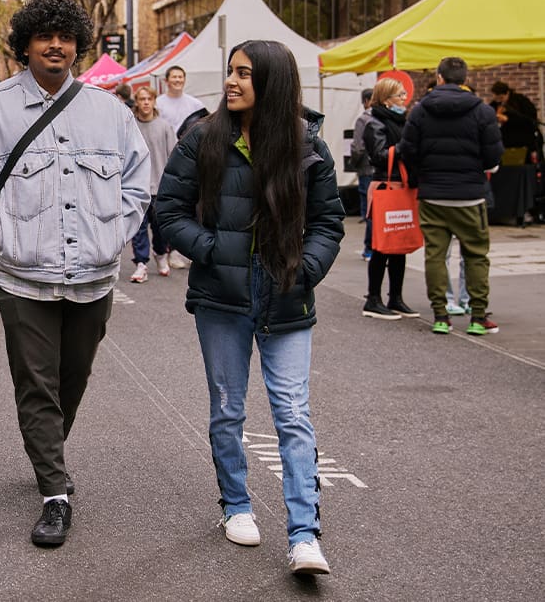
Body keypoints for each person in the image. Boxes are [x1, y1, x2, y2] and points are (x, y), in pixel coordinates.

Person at [0, 0, 149, 548]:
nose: (55, 45)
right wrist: (2, 239)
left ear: (78, 45)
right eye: (44, 36)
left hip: (91, 274)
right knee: (36, 381)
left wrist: (114, 235)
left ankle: (46, 453)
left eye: (65, 37)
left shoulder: (110, 113)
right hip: (20, 277)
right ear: (24, 46)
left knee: (72, 379)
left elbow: (137, 181)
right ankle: (55, 492)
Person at [155, 40, 344, 576]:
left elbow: (329, 223)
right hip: (222, 297)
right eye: (231, 71)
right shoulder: (202, 139)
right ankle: (236, 505)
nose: (232, 81)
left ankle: (304, 535)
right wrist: (213, 249)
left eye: (245, 73)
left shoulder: (308, 146)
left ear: (274, 82)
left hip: (287, 296)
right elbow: (167, 210)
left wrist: (304, 270)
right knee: (228, 407)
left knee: (292, 414)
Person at [399, 57, 503, 335]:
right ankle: (478, 317)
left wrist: (422, 174)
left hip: (432, 195)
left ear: (439, 77)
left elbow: (406, 150)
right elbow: (493, 155)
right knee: (476, 256)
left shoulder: (420, 111)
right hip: (470, 195)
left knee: (435, 255)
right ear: (465, 80)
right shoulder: (483, 112)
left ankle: (440, 316)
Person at [360, 78, 418, 320]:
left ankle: (396, 297)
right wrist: (405, 146)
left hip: (400, 188)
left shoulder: (402, 121)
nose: (404, 99)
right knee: (381, 246)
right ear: (386, 99)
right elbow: (380, 156)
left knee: (399, 247)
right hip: (386, 188)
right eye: (399, 95)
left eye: (404, 95)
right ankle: (373, 299)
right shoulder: (374, 123)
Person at [130, 85, 176, 281]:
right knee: (138, 227)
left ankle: (161, 254)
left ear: (154, 101)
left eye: (149, 98)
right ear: (137, 102)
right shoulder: (131, 125)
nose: (146, 102)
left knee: (160, 228)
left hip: (160, 186)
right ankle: (141, 263)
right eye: (142, 99)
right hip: (136, 187)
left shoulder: (164, 126)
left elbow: (174, 156)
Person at [350, 88, 375, 259]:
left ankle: (370, 249)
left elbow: (358, 147)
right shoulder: (385, 117)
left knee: (369, 211)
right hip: (382, 171)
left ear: (366, 101)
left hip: (366, 169)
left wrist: (354, 163)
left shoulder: (364, 120)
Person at [156, 65, 208, 135]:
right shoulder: (158, 104)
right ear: (166, 81)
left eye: (180, 77)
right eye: (174, 77)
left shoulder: (196, 104)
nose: (177, 80)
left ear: (184, 80)